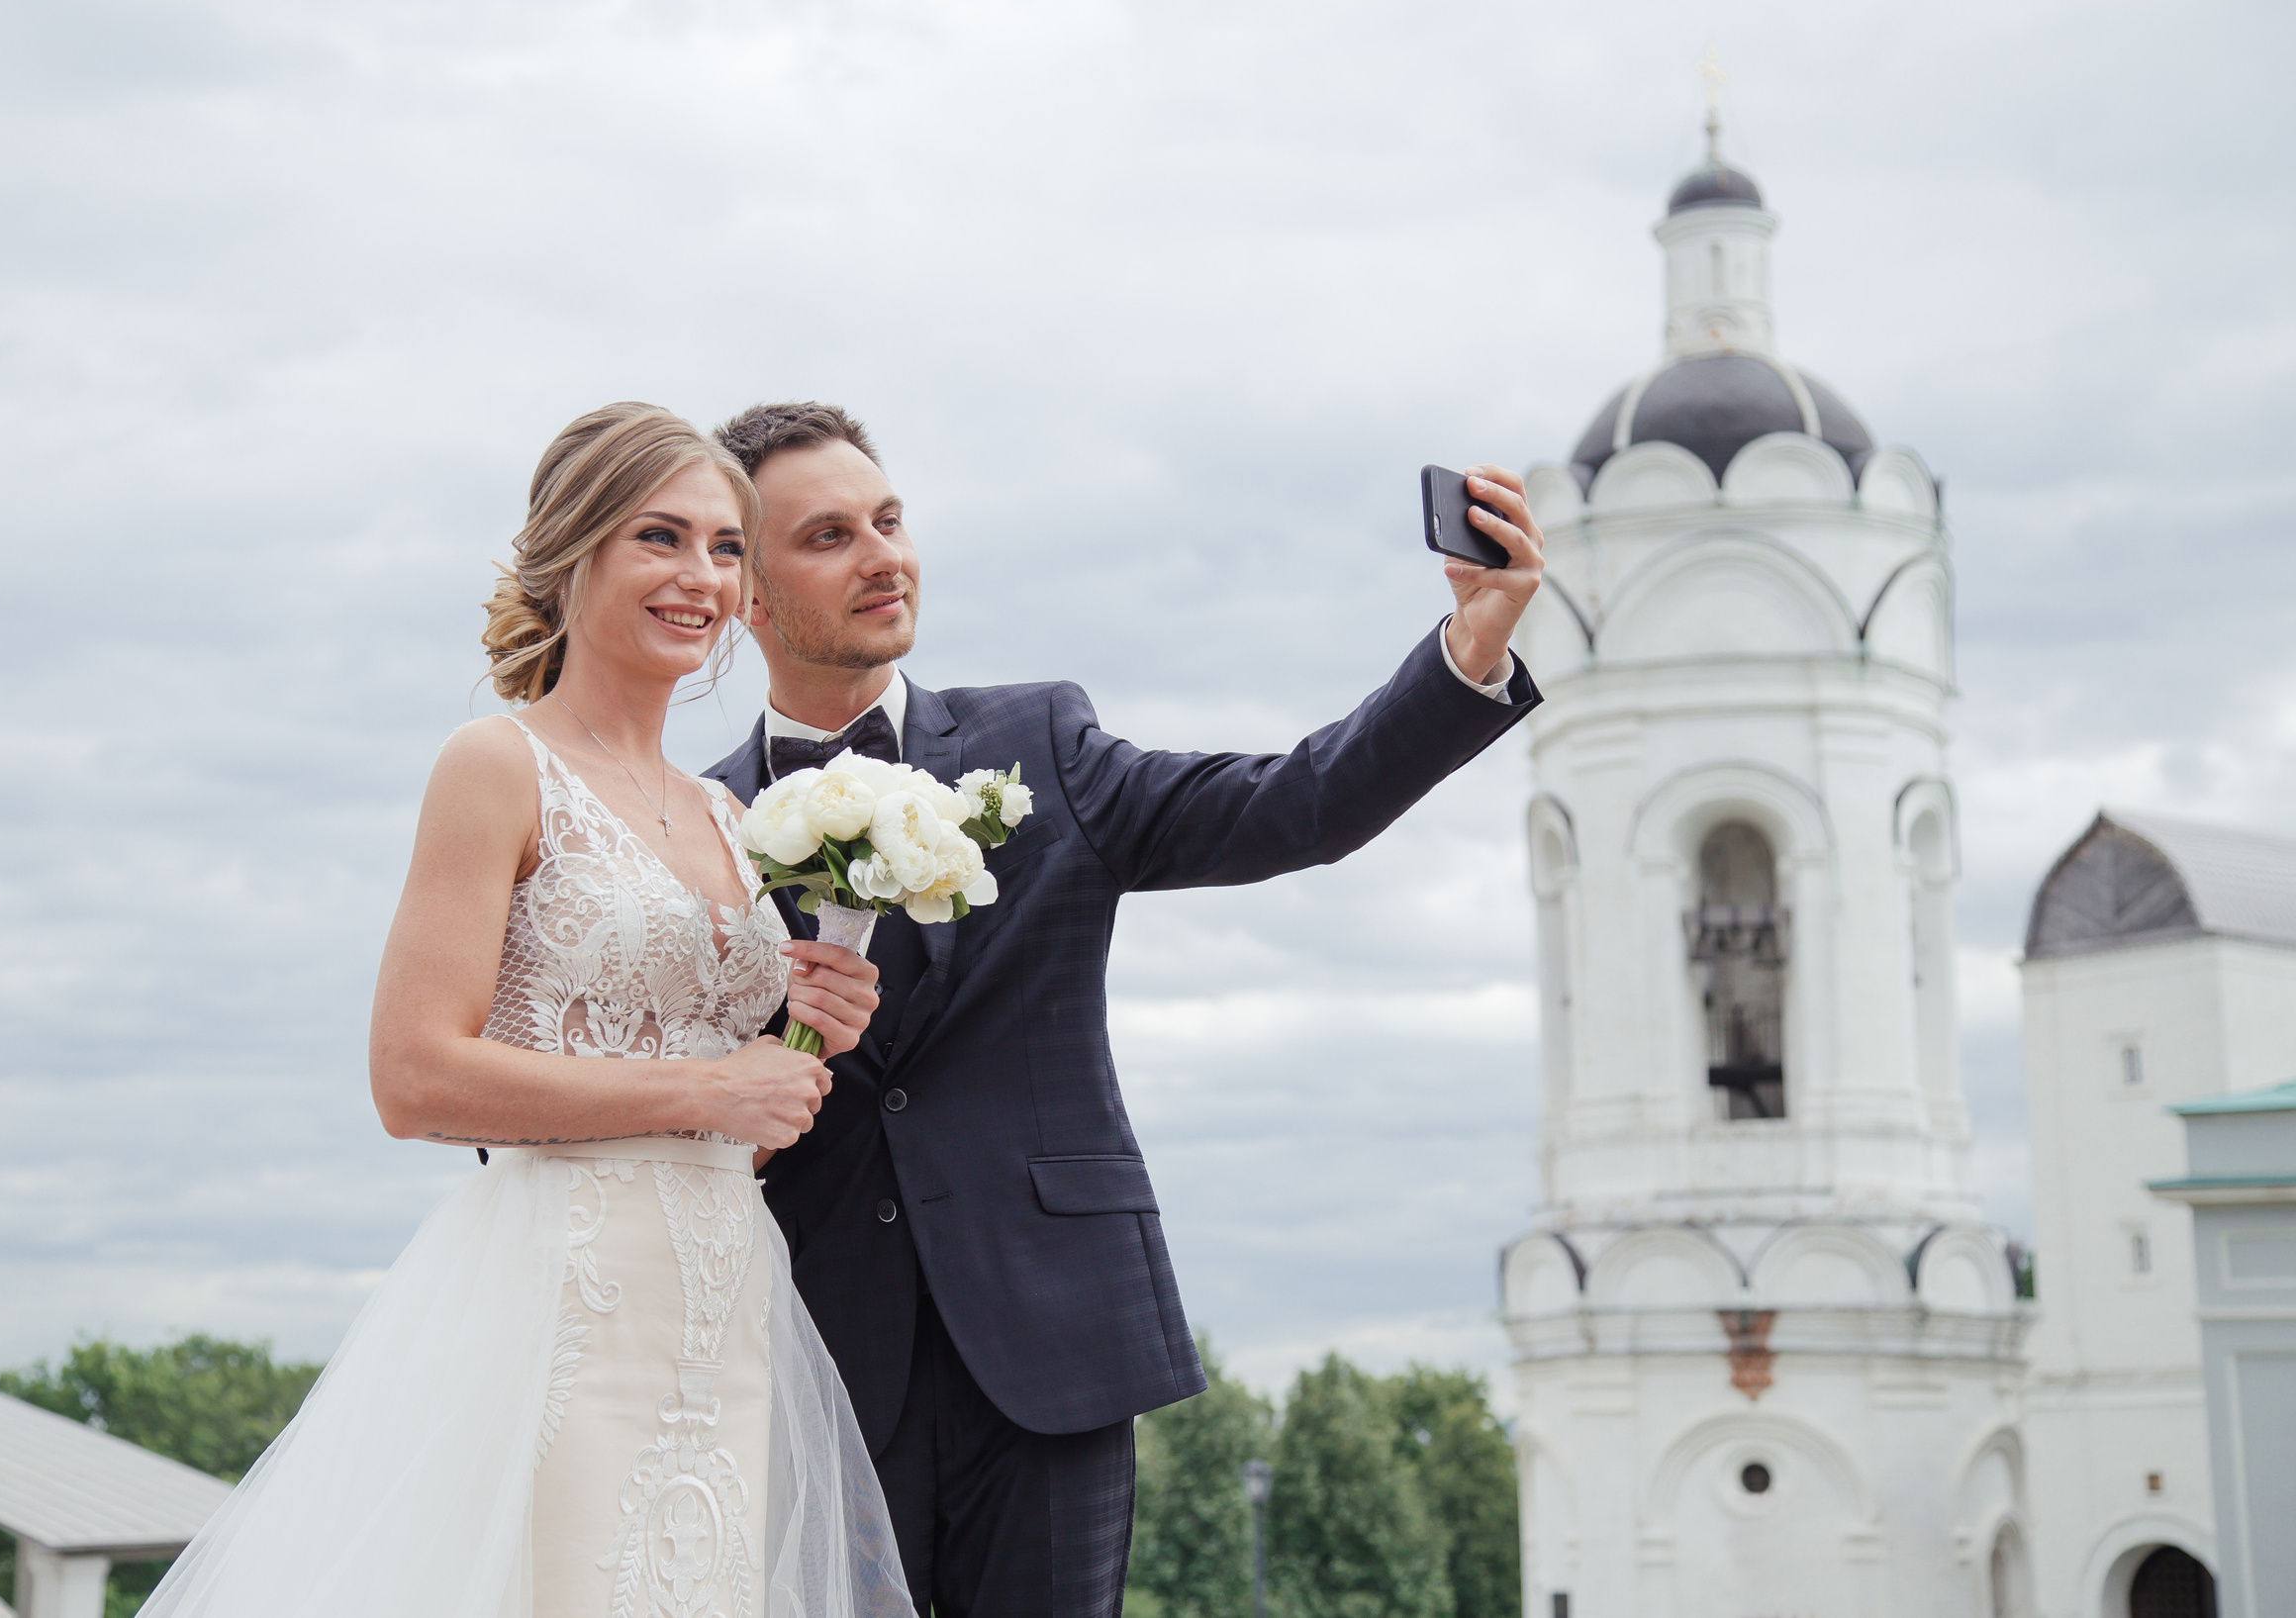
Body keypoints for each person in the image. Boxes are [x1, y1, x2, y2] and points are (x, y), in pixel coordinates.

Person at [703, 402, 1546, 1618]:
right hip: (816, 1369)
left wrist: (1466, 648)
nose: (882, 555)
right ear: (744, 590)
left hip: (1053, 1346)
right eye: (829, 536)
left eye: (888, 521)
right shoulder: (697, 826)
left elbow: (1295, 806)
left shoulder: (1035, 742)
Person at [139, 403, 913, 1618]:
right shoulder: (496, 766)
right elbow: (413, 1080)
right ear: (572, 552)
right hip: (560, 1297)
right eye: (660, 538)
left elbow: (733, 1117)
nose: (700, 578)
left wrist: (798, 1050)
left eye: (723, 548)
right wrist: (706, 1087)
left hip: (724, 1300)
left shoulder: (725, 817)